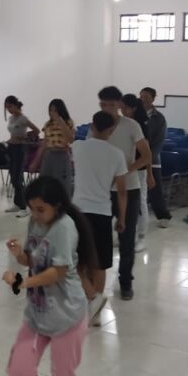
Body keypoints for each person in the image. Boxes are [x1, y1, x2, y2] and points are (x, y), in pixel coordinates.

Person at [4, 176, 97, 376]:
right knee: (19, 370)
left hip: (67, 316)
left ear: (57, 206)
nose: (35, 215)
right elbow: (33, 259)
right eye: (31, 209)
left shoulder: (64, 227)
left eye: (40, 209)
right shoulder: (35, 223)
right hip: (38, 314)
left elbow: (57, 272)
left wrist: (22, 283)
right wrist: (19, 254)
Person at [72, 111, 127, 326]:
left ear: (92, 126)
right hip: (103, 212)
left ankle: (91, 298)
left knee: (77, 261)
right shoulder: (117, 154)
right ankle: (94, 309)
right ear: (112, 130)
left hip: (79, 211)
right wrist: (121, 217)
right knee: (99, 263)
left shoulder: (78, 147)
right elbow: (121, 191)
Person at [98, 86, 151, 301]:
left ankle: (126, 281)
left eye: (111, 105)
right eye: (103, 105)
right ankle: (97, 280)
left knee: (127, 238)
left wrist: (125, 170)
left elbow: (146, 155)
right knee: (100, 237)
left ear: (119, 104)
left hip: (128, 189)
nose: (107, 109)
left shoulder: (131, 126)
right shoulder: (97, 126)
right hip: (103, 189)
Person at [121, 94, 155, 253]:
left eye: (125, 108)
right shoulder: (124, 123)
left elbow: (147, 152)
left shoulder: (140, 124)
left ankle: (141, 237)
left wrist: (150, 174)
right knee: (126, 203)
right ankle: (129, 234)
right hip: (125, 169)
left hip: (139, 169)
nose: (122, 110)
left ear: (133, 108)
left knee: (140, 202)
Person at [140, 87, 172, 228]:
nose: (143, 99)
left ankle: (163, 215)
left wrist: (147, 157)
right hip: (135, 158)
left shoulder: (159, 118)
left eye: (146, 96)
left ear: (153, 99)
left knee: (155, 188)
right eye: (141, 96)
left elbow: (159, 141)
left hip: (152, 159)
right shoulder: (135, 115)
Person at [4, 96, 40, 217]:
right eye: (7, 107)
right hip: (11, 148)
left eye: (10, 106)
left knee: (17, 178)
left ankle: (24, 206)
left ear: (15, 105)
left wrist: (24, 137)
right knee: (13, 176)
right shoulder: (11, 118)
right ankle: (17, 203)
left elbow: (36, 130)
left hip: (20, 149)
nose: (9, 109)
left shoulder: (23, 118)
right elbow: (12, 133)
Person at [34, 98, 75, 198]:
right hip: (49, 154)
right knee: (44, 183)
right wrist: (36, 161)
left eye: (55, 110)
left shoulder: (68, 122)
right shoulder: (48, 124)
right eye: (51, 110)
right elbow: (44, 143)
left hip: (62, 155)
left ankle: (63, 205)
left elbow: (71, 139)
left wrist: (61, 122)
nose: (52, 113)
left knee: (62, 185)